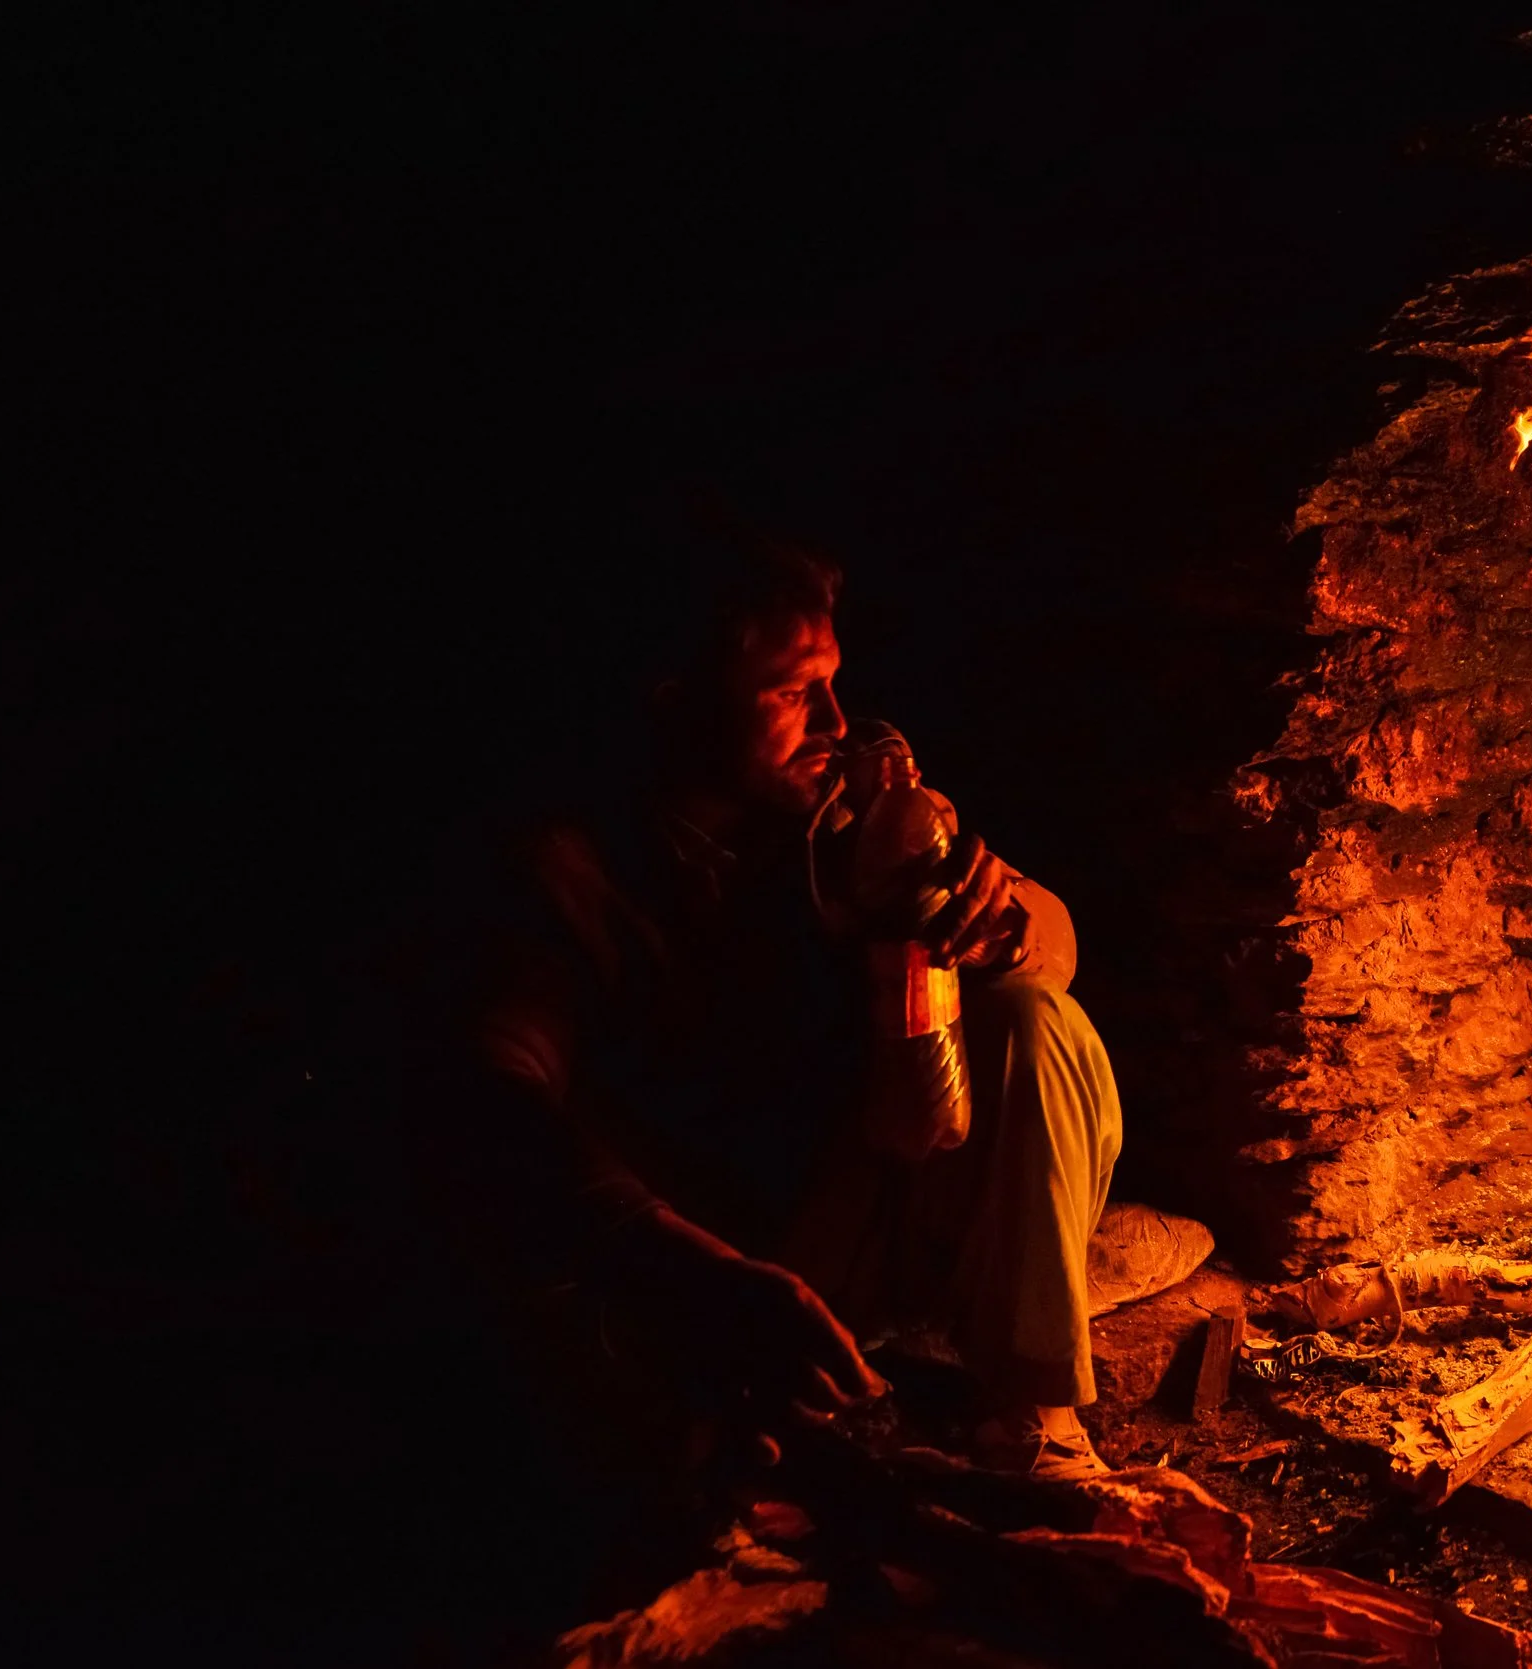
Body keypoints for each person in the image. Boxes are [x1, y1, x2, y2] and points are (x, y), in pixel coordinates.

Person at [409, 509, 1123, 1517]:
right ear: (674, 702)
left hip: (849, 1219)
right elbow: (485, 1098)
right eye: (792, 691)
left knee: (1030, 1021)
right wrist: (688, 1269)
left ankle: (1031, 1416)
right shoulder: (568, 873)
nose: (836, 720)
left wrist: (996, 919)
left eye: (833, 679)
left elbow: (1055, 952)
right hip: (699, 1269)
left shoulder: (837, 823)